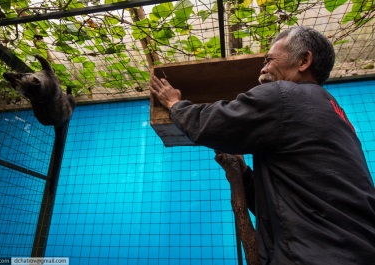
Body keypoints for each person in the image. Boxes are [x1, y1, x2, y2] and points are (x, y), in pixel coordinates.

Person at [149, 26, 375, 264]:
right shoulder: (332, 111)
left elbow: (209, 124)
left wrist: (175, 104)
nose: (263, 68)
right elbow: (291, 203)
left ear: (304, 60)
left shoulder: (286, 95)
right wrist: (245, 174)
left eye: (269, 60)